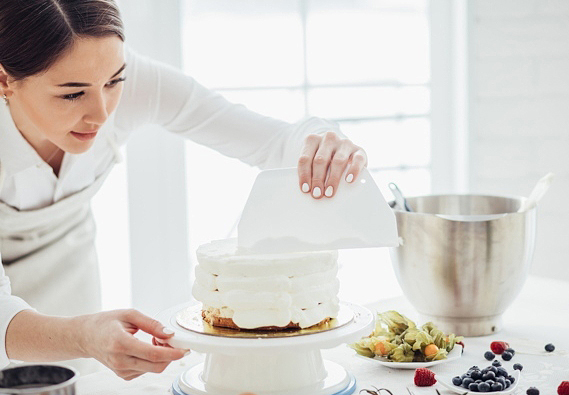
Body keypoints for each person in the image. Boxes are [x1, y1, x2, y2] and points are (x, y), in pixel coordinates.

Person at [0, 0, 367, 381]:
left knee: (75, 382)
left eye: (114, 82)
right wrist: (81, 337)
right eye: (72, 94)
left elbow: (272, 143)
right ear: (5, 80)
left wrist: (325, 145)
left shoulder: (126, 80)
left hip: (68, 273)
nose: (102, 114)